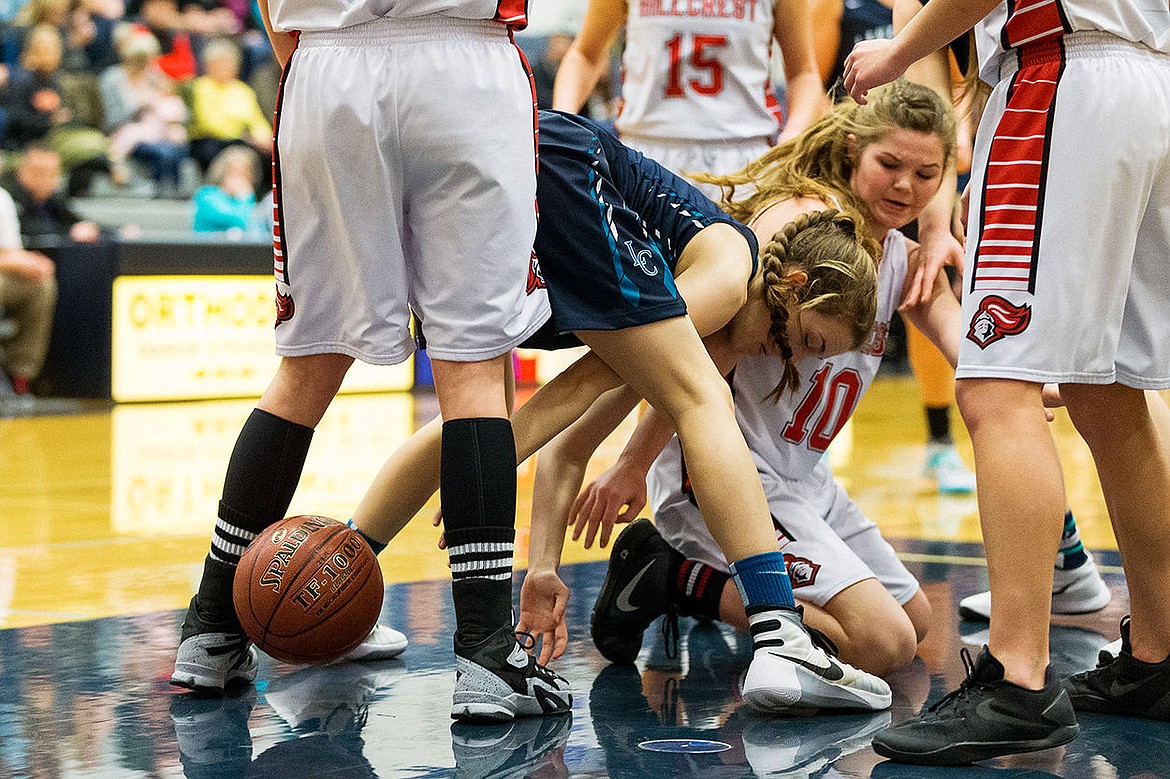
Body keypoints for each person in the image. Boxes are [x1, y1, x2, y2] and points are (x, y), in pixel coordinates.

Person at [351, 107, 893, 716]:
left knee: (476, 415)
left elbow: (569, 445)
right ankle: (779, 630)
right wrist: (482, 479)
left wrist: (543, 569)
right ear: (791, 283)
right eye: (808, 342)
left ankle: (340, 574)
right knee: (701, 403)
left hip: (488, 162)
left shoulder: (719, 331)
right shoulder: (727, 274)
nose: (794, 359)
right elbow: (578, 392)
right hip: (557, 162)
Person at [171, 0, 556, 726]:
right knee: (471, 366)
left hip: (327, 62)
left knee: (306, 364)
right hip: (463, 62)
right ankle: (483, 654)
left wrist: (319, 60)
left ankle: (211, 625)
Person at [843, 0, 1170, 764]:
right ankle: (1158, 657)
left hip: (1061, 78)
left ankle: (1017, 679)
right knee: (1108, 389)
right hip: (1149, 85)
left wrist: (896, 55)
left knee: (997, 384)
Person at [561, 79, 953, 678]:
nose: (905, 186)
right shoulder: (802, 226)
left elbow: (963, 337)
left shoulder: (900, 253)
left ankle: (697, 577)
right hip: (727, 469)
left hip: (801, 472)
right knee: (883, 645)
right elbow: (697, 354)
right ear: (853, 149)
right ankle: (672, 575)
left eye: (926, 175)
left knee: (918, 621)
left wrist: (1028, 380)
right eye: (890, 164)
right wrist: (634, 463)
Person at [551, 0, 828, 197]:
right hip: (645, 151)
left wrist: (792, 138)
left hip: (743, 158)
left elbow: (802, 73)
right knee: (645, 275)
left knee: (740, 275)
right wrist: (561, 126)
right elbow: (584, 55)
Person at [98, 23, 189, 198]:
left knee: (177, 146)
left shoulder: (153, 75)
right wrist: (139, 106)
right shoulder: (112, 78)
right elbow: (110, 118)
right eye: (139, 60)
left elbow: (170, 102)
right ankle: (159, 190)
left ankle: (174, 190)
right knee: (163, 152)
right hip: (125, 131)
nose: (144, 65)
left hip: (157, 129)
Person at [185, 34, 269, 186]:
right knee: (216, 149)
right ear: (209, 66)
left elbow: (257, 120)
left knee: (267, 155)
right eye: (220, 63)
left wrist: (263, 137)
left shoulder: (243, 90)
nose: (224, 68)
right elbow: (208, 122)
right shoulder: (200, 88)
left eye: (228, 64)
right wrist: (242, 132)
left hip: (239, 140)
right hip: (209, 140)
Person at [0, 181, 56, 396]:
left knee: (40, 285)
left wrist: (33, 262)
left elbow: (11, 251)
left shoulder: (2, 198)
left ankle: (20, 375)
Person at [8, 143, 100, 244]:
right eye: (40, 173)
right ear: (22, 172)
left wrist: (85, 226)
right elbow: (24, 227)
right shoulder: (8, 199)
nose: (51, 180)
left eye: (54, 173)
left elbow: (74, 220)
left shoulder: (53, 199)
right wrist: (70, 231)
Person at [191, 145, 262, 235]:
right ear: (222, 172)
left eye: (244, 175)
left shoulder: (246, 202)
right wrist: (245, 196)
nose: (240, 180)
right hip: (209, 247)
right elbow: (240, 220)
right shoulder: (206, 196)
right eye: (235, 173)